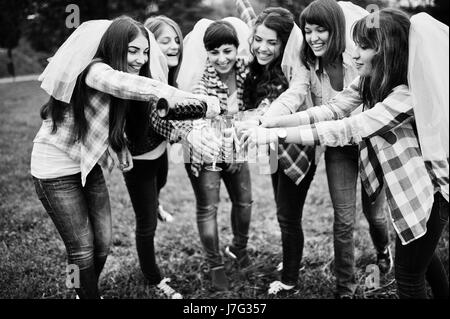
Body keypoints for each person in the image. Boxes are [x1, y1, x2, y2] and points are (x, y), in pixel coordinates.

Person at [242, 8, 449, 299]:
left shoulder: (405, 96)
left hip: (432, 194)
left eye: (364, 47)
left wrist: (272, 134)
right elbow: (332, 109)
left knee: (409, 274)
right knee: (423, 259)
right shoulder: (370, 79)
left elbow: (349, 127)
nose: (356, 53)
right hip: (413, 191)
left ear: (386, 51)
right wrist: (272, 121)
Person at [31, 16, 218, 299]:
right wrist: (193, 101)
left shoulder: (119, 78)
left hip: (85, 165)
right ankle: (83, 292)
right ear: (115, 46)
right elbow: (130, 85)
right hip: (53, 170)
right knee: (80, 247)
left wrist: (118, 148)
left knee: (103, 241)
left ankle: (81, 288)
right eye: (133, 50)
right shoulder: (95, 70)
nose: (140, 59)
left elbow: (107, 120)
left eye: (145, 52)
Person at [260, 0, 391, 298]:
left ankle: (383, 251)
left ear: (337, 30)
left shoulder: (358, 60)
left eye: (322, 30)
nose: (314, 37)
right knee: (343, 219)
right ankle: (345, 289)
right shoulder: (308, 62)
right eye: (308, 31)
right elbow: (295, 93)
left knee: (376, 217)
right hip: (338, 148)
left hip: (371, 146)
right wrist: (268, 120)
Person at [237, 5, 320, 296]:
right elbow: (249, 16)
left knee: (288, 216)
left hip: (297, 150)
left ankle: (289, 280)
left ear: (285, 44)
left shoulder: (296, 69)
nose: (263, 46)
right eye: (258, 39)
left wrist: (263, 118)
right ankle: (290, 263)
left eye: (272, 42)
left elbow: (294, 95)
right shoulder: (259, 65)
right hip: (273, 148)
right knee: (281, 209)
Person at [179, 18, 253, 291]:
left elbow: (254, 111)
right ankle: (215, 264)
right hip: (203, 148)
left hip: (236, 147)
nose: (222, 59)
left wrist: (237, 150)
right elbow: (201, 119)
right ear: (206, 53)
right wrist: (227, 151)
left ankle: (238, 248)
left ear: (237, 49)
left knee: (244, 202)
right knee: (208, 207)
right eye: (214, 52)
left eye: (227, 51)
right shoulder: (201, 78)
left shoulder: (247, 72)